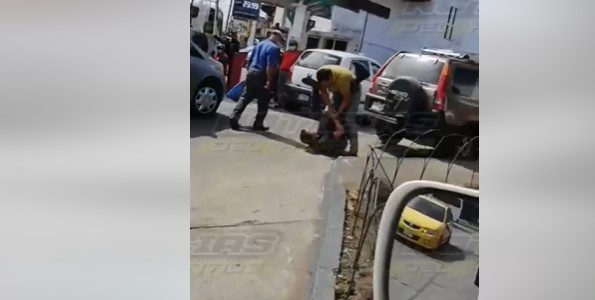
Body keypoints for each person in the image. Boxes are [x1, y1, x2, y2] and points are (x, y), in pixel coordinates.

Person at [229, 29, 284, 131]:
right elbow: (270, 66)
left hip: (252, 71)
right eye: (280, 39)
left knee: (246, 96)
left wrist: (249, 73)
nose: (279, 42)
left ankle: (234, 116)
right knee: (263, 100)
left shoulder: (260, 44)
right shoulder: (274, 48)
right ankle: (258, 123)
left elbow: (249, 59)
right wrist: (269, 81)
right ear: (278, 37)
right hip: (262, 74)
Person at [314, 65, 362, 156]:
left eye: (328, 84)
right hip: (337, 91)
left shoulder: (343, 78)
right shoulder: (320, 74)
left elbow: (347, 98)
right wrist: (330, 108)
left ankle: (353, 150)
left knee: (348, 119)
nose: (327, 86)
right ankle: (320, 140)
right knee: (326, 114)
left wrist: (338, 113)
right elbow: (323, 92)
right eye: (325, 85)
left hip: (352, 91)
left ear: (331, 78)